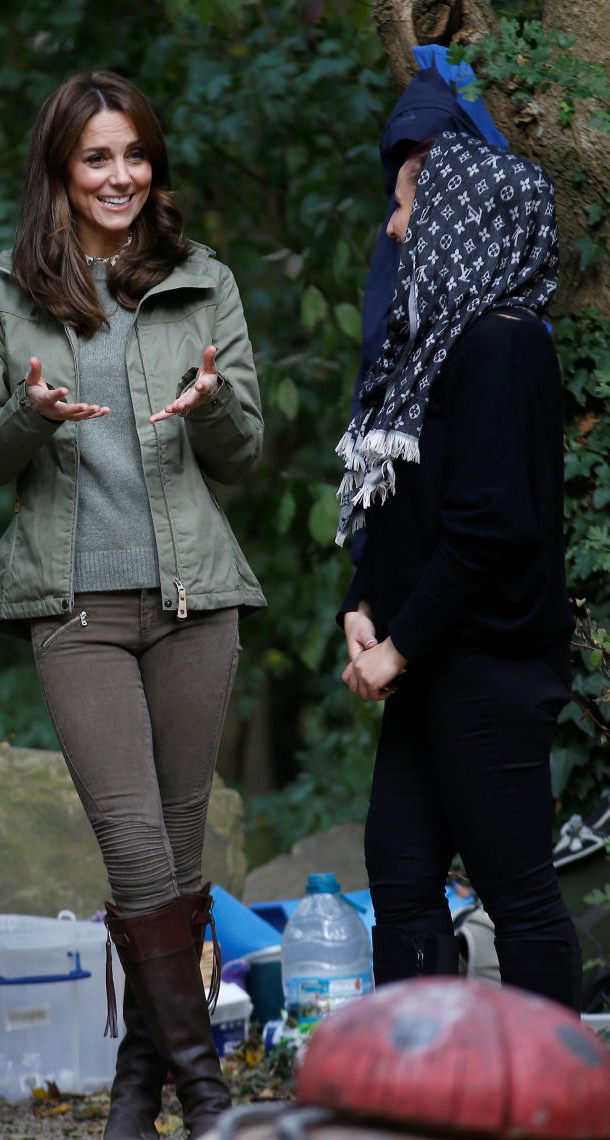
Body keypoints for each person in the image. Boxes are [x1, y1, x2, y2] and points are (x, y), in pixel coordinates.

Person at [0, 71, 265, 1140]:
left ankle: (136, 1096)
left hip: (196, 603)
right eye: (96, 159)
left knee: (174, 865)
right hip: (73, 605)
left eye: (133, 155)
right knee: (135, 847)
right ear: (59, 172)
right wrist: (27, 420)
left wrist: (216, 405)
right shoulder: (6, 293)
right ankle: (211, 1100)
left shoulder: (201, 280)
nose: (120, 176)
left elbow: (246, 455)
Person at [336, 132, 582, 1010]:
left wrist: (398, 649)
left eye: (409, 205)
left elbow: (488, 530)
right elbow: (407, 509)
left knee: (515, 891)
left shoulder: (502, 346)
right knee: (400, 881)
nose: (396, 229)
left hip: (489, 667)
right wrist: (361, 605)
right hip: (428, 661)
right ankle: (419, 1095)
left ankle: (559, 1116)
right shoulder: (437, 348)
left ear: (462, 220)